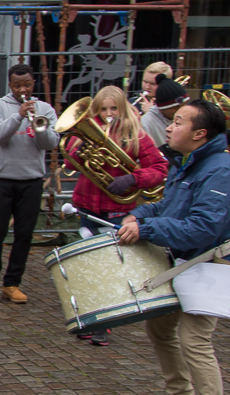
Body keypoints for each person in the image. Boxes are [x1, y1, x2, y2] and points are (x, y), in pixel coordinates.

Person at [118, 99, 230, 395]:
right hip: (181, 262)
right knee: (159, 329)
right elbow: (168, 207)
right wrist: (140, 213)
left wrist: (148, 228)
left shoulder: (220, 171)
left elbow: (203, 228)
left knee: (195, 341)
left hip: (210, 266)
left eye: (177, 122)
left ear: (200, 134)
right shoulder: (190, 162)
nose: (169, 128)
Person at [63, 85, 168, 346]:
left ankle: (105, 323)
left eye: (114, 109)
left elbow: (159, 167)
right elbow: (68, 164)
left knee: (109, 267)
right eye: (103, 110)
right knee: (87, 265)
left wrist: (133, 178)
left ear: (122, 109)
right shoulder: (86, 133)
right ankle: (88, 317)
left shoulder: (137, 135)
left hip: (117, 211)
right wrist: (77, 150)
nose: (108, 115)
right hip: (87, 206)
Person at [0, 64, 59, 305]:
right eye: (17, 85)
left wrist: (38, 127)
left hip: (31, 180)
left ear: (33, 83)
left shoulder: (44, 108)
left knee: (24, 235)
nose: (22, 89)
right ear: (10, 85)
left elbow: (50, 143)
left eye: (26, 85)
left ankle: (12, 283)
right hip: (0, 179)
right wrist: (18, 116)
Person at [139, 62, 181, 150]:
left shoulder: (172, 105)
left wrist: (152, 113)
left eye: (153, 84)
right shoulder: (134, 102)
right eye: (145, 81)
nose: (147, 87)